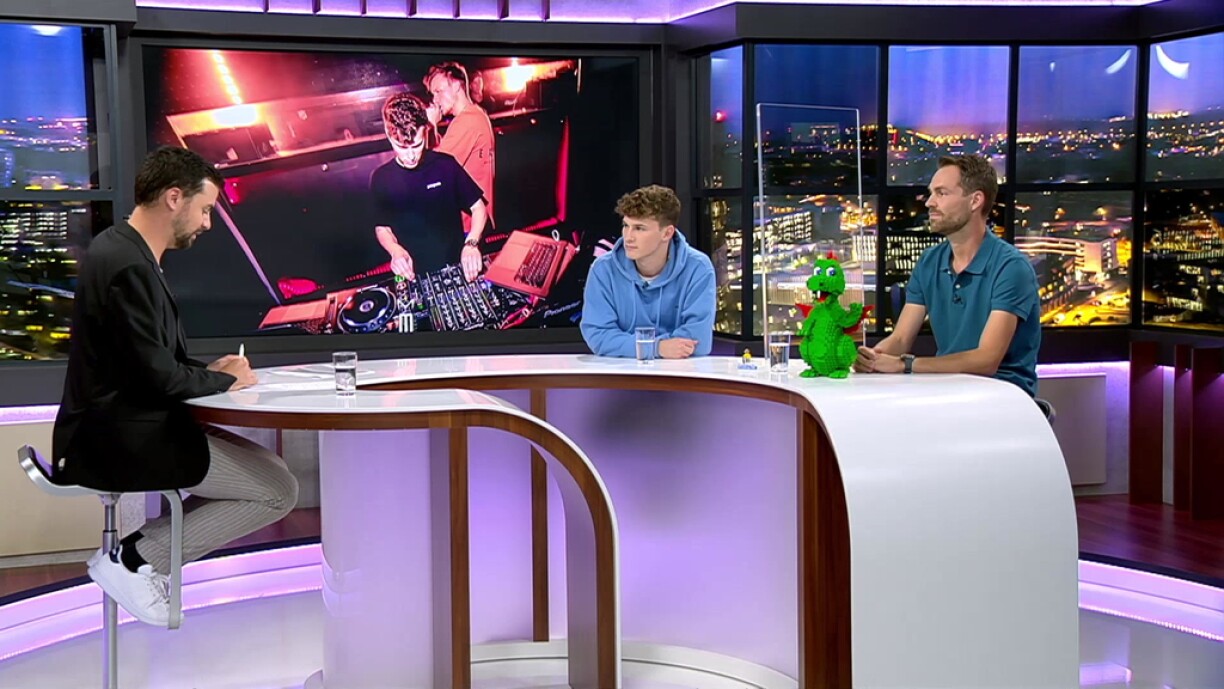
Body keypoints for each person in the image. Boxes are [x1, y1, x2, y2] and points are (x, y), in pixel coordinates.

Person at [53, 146, 299, 626]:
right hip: (120, 437)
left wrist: (211, 371)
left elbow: (146, 360)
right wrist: (225, 379)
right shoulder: (129, 266)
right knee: (278, 491)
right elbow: (159, 377)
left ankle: (138, 555)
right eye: (205, 209)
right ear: (173, 198)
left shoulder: (123, 249)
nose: (207, 223)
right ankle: (135, 560)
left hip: (127, 422)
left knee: (274, 470)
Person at [854, 154, 1041, 396]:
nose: (929, 203)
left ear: (975, 201)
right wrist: (873, 358)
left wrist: (905, 365)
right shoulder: (930, 262)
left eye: (941, 193)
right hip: (949, 391)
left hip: (1004, 396)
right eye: (931, 193)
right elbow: (900, 339)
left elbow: (986, 360)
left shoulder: (1011, 267)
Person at [580, 184, 715, 359]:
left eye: (639, 228)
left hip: (678, 372)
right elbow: (598, 335)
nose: (628, 237)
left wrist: (628, 346)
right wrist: (657, 347)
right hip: (621, 373)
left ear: (667, 233)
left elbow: (697, 340)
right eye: (626, 225)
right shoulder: (603, 270)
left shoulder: (698, 269)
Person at [372, 92, 488, 282]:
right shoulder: (381, 178)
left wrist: (472, 243)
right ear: (388, 135)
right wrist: (395, 250)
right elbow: (382, 227)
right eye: (402, 147)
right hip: (412, 275)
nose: (411, 156)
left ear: (426, 130)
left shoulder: (446, 165)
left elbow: (478, 208)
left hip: (455, 265)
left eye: (417, 145)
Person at [425, 61, 495, 238]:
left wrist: (430, 125)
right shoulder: (477, 113)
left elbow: (432, 170)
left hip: (467, 224)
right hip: (475, 219)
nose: (435, 100)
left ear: (456, 85)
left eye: (439, 91)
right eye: (433, 94)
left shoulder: (466, 122)